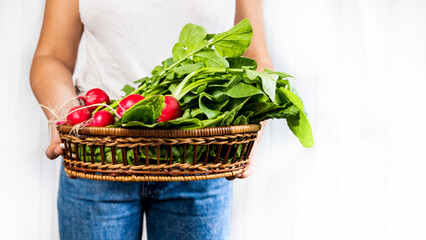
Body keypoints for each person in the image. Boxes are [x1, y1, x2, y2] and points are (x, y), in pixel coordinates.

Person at [30, 0, 273, 239]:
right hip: (98, 152)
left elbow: (254, 55)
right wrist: (66, 116)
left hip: (199, 157)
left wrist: (254, 126)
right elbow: (52, 56)